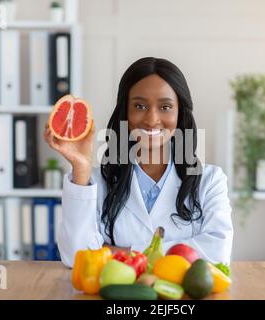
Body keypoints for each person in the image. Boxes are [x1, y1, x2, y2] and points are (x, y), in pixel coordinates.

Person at [44, 57, 233, 268]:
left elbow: (218, 252)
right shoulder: (95, 182)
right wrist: (80, 168)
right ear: (125, 111)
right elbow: (76, 257)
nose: (152, 119)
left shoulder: (210, 181)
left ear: (180, 114)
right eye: (140, 106)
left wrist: (115, 251)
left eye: (165, 107)